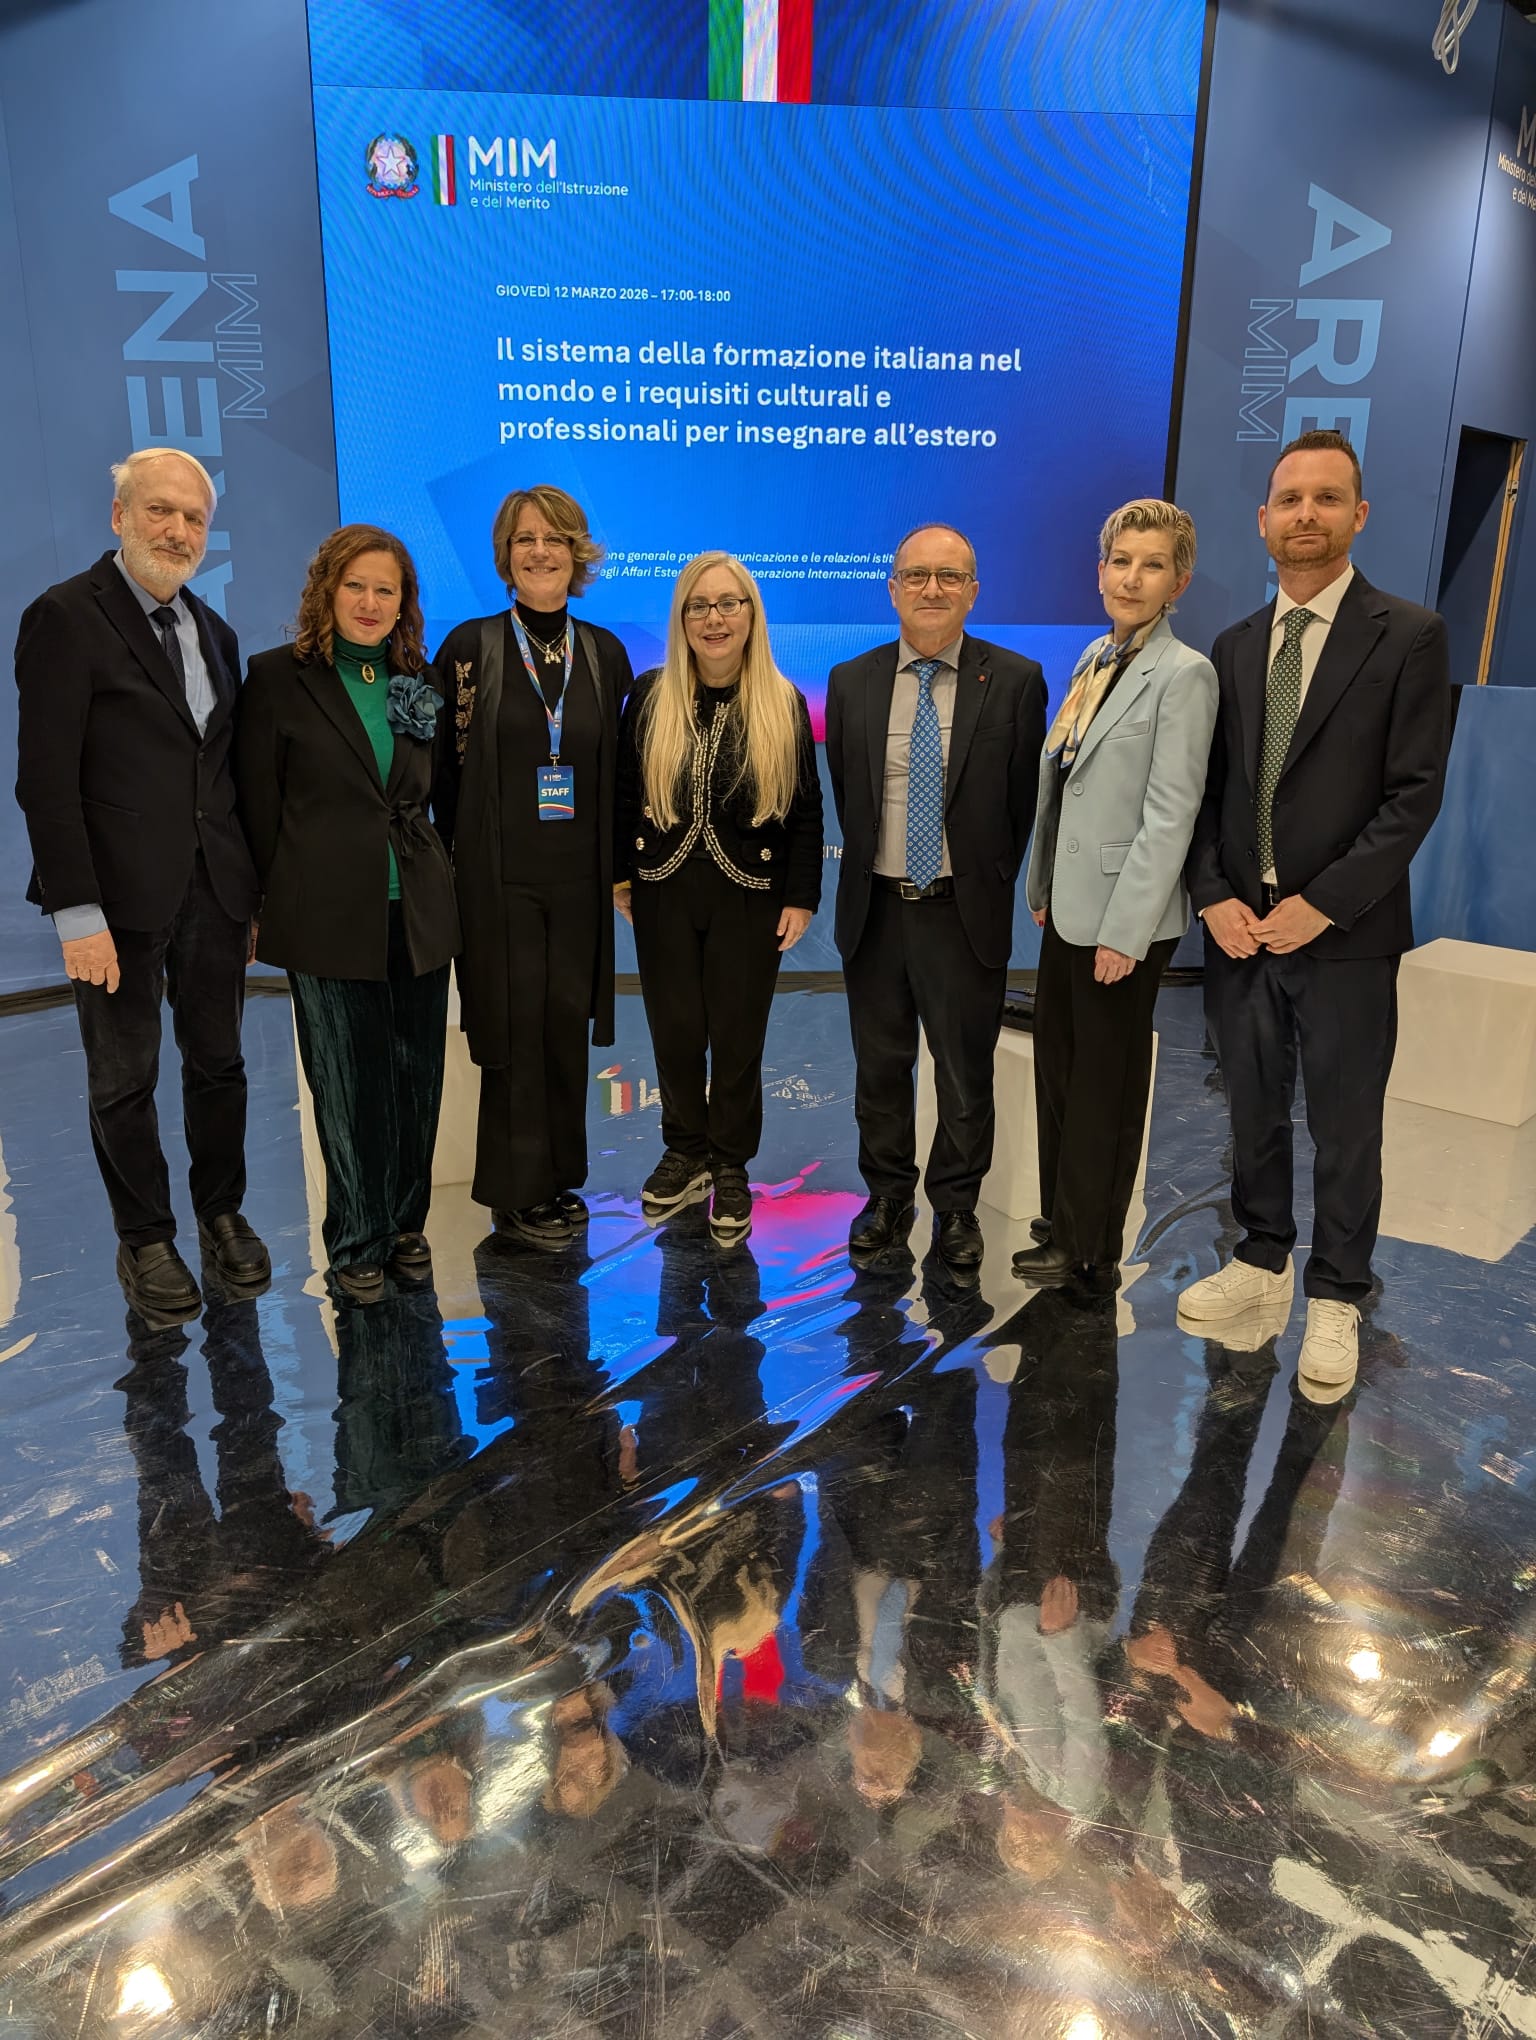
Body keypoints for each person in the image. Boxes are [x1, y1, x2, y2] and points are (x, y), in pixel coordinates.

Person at [1183, 430, 1452, 1388]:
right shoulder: (1234, 646)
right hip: (1240, 932)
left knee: (1345, 1125)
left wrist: (1323, 905)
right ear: (1263, 520)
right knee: (1252, 1110)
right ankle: (1262, 1258)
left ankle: (1337, 1292)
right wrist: (1212, 894)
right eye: (1290, 500)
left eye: (1327, 498)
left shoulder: (1409, 635)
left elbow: (1412, 796)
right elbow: (1209, 792)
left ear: (1358, 515)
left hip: (1346, 937)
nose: (1307, 514)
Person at [13, 448, 269, 1319]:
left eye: (194, 518)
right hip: (113, 902)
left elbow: (219, 776)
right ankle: (146, 1238)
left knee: (220, 1063)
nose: (178, 530)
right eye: (160, 510)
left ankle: (222, 1213)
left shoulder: (215, 632)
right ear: (119, 516)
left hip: (215, 893)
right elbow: (45, 781)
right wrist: (75, 912)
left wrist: (248, 896)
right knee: (124, 1078)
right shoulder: (64, 616)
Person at [237, 525, 459, 1304]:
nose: (369, 602)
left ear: (404, 603)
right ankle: (357, 1238)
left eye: (385, 589)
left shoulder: (418, 679)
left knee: (415, 1077)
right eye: (355, 585)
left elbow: (437, 791)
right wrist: (258, 908)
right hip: (324, 912)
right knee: (346, 1082)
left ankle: (404, 1227)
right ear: (326, 591)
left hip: (417, 910)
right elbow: (257, 805)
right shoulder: (276, 678)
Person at [825, 524, 1047, 1269]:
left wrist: (981, 878)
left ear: (973, 592)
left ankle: (956, 1208)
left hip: (962, 912)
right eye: (916, 575)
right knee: (880, 1069)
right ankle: (887, 1196)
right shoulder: (850, 681)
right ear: (892, 589)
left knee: (964, 1072)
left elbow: (1019, 808)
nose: (931, 589)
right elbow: (851, 796)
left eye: (949, 577)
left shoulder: (1015, 680)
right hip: (876, 911)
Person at [1011, 501, 1218, 1291]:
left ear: (1179, 582)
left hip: (1124, 920)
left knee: (1104, 1084)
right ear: (1100, 572)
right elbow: (1062, 782)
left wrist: (1126, 932)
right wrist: (1042, 881)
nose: (1132, 578)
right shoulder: (1096, 657)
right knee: (1060, 1071)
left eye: (1152, 564)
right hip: (1068, 905)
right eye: (1121, 561)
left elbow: (1170, 816)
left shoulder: (1184, 675)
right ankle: (1063, 1216)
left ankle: (1086, 1243)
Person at [433, 486, 633, 1250]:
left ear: (576, 551)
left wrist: (621, 872)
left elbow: (621, 775)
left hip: (578, 883)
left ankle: (556, 1177)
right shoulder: (470, 648)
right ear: (505, 555)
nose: (539, 552)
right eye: (525, 539)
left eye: (553, 538)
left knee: (562, 1031)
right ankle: (514, 1193)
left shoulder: (605, 654)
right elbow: (443, 775)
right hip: (500, 882)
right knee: (513, 1035)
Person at [617, 552, 822, 1244]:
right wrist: (620, 875)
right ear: (682, 619)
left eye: (729, 603)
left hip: (750, 897)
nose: (715, 619)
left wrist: (801, 895)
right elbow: (624, 791)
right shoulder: (651, 695)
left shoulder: (783, 701)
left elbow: (806, 809)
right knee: (675, 1031)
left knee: (737, 1037)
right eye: (699, 606)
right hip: (663, 892)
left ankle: (730, 1162)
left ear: (751, 615)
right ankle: (685, 1151)